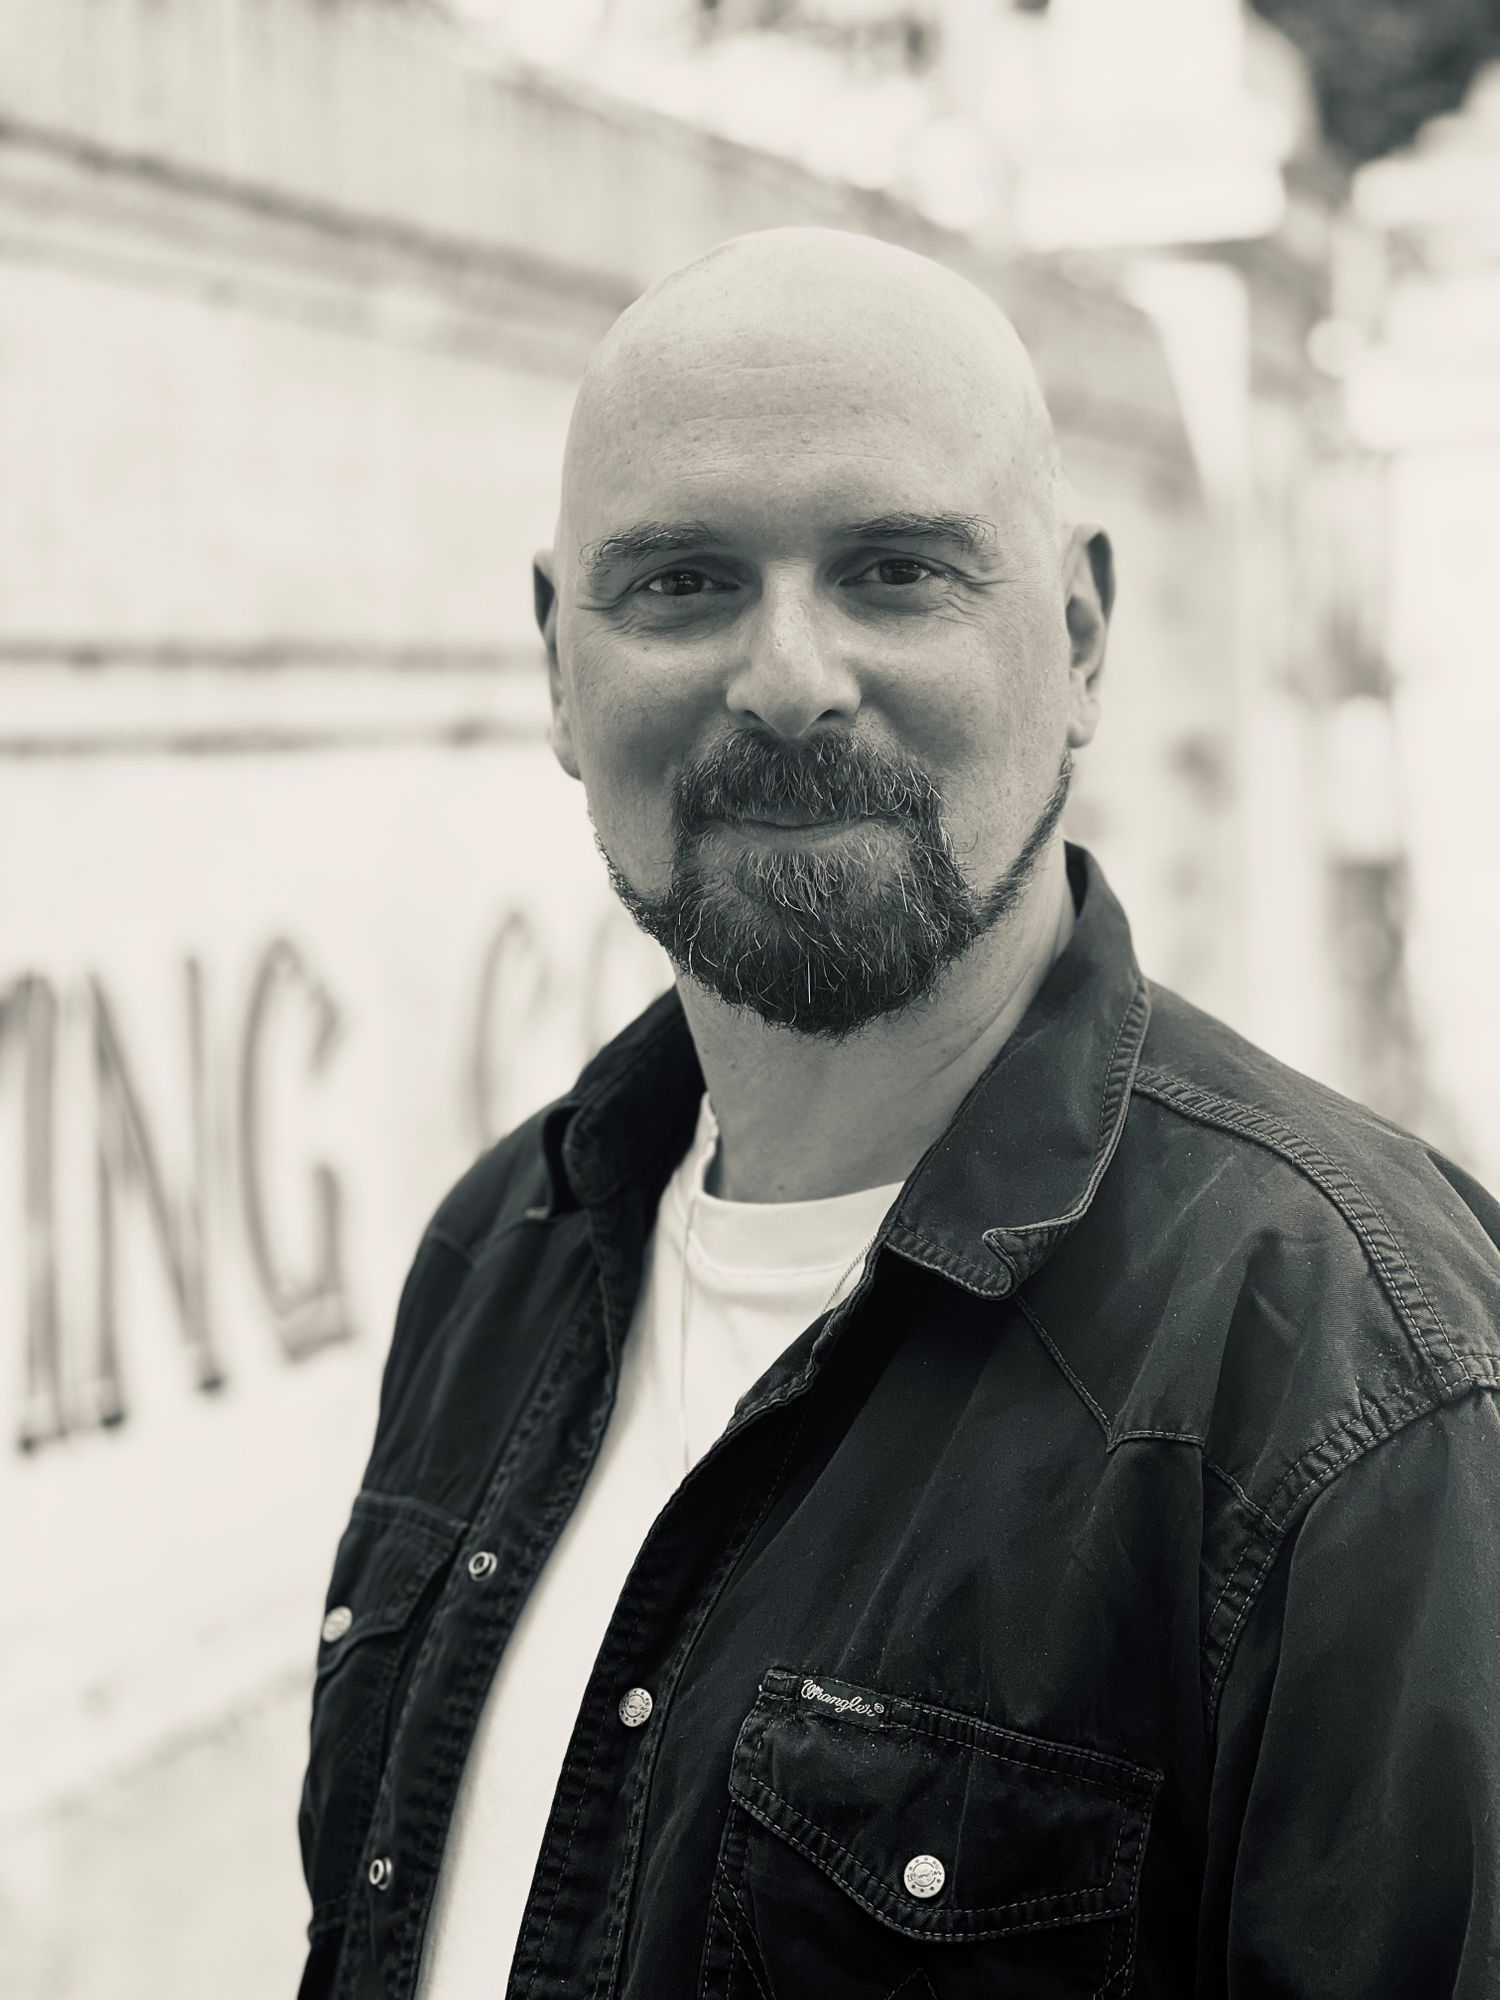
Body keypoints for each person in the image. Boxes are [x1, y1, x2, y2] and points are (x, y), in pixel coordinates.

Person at [297, 228, 1500, 2000]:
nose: (788, 677)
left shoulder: (1353, 1383)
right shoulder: (499, 1254)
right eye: (683, 583)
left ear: (1078, 637)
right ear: (560, 662)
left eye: (896, 571)